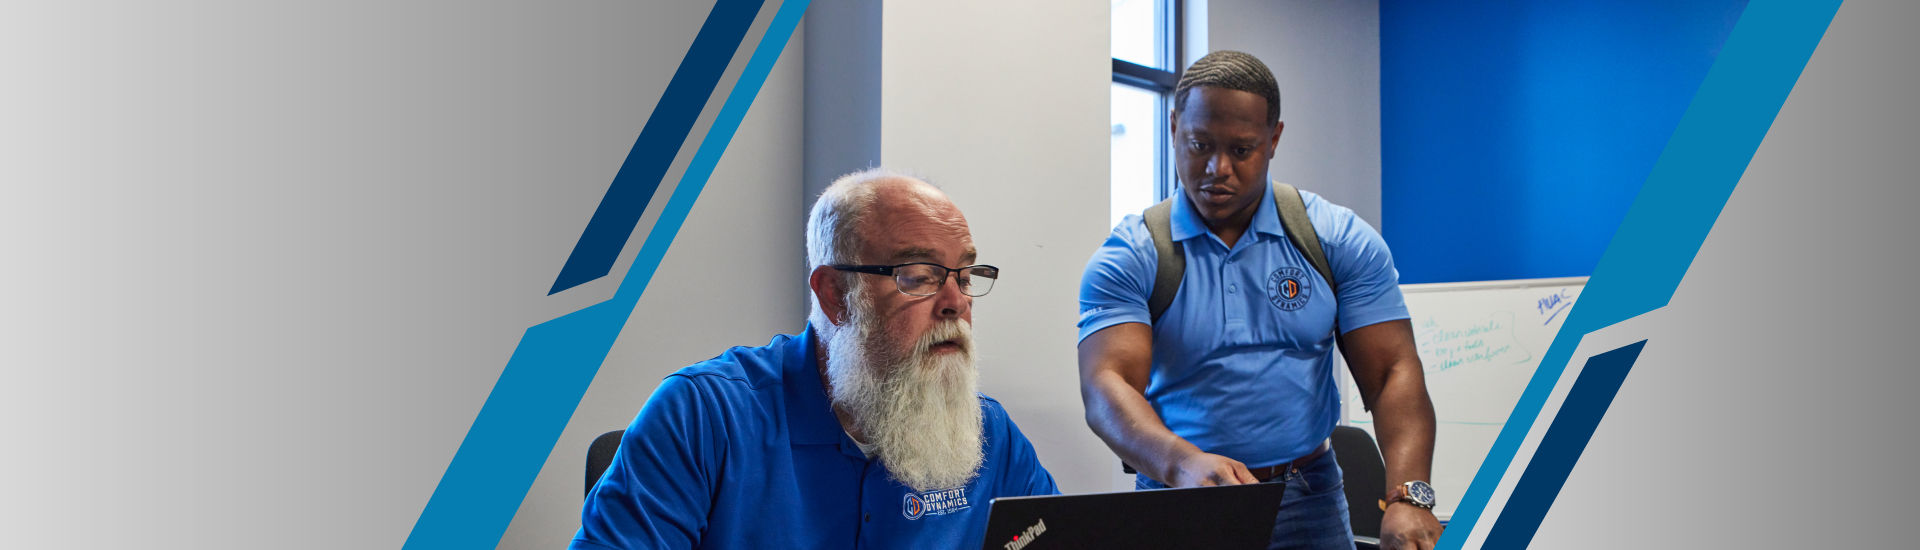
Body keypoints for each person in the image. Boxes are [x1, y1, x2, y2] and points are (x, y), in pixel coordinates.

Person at [573, 170, 1058, 549]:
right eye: (919, 275)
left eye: (966, 276)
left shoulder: (989, 434)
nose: (956, 302)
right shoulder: (705, 416)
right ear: (835, 295)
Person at [1077, 51, 1443, 550]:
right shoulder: (1133, 255)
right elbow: (1107, 386)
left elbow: (1391, 372)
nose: (1216, 168)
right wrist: (1181, 462)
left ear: (1274, 140)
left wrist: (1409, 496)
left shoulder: (1335, 239)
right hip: (1179, 495)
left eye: (1241, 149)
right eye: (1199, 144)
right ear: (1173, 127)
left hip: (1307, 495)